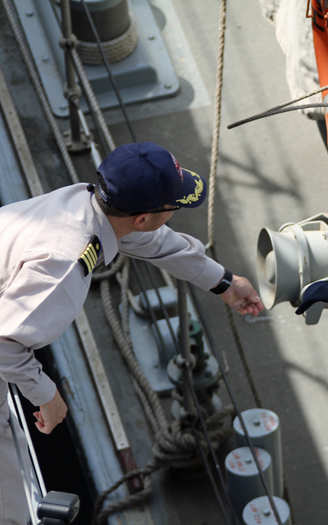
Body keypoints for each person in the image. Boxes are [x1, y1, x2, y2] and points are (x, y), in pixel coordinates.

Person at [0, 142, 263, 524]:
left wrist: (223, 282)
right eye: (172, 204)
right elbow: (4, 343)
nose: (174, 210)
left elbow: (153, 242)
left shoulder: (84, 203)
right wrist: (47, 394)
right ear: (141, 216)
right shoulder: (66, 263)